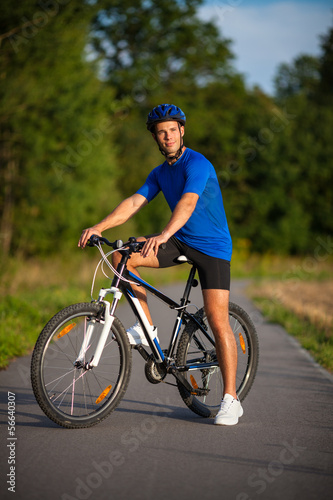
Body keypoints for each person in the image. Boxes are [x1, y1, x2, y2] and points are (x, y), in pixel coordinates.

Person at [78, 104, 243, 426]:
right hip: (180, 240)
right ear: (155, 137)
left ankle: (231, 398)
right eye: (160, 132)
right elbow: (134, 202)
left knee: (217, 319)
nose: (167, 136)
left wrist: (164, 234)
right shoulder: (160, 172)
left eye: (172, 130)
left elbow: (188, 201)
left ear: (182, 131)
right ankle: (146, 328)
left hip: (213, 248)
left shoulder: (198, 164)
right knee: (123, 255)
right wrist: (100, 226)